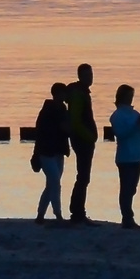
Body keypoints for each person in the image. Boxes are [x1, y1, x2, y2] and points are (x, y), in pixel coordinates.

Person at [107, 84, 140, 228]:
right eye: (129, 96)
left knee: (132, 188)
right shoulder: (117, 115)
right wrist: (138, 123)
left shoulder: (134, 113)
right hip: (125, 156)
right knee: (126, 188)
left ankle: (128, 216)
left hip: (137, 155)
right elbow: (121, 133)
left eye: (132, 96)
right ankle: (127, 218)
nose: (131, 99)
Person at [31, 81, 72, 222]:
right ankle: (58, 214)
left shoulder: (62, 109)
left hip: (58, 152)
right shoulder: (49, 111)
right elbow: (42, 132)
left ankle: (40, 215)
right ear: (58, 94)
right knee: (55, 182)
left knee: (52, 183)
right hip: (46, 152)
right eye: (64, 93)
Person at [64, 63, 97, 222]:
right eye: (87, 74)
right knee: (83, 176)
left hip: (83, 140)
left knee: (83, 176)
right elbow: (76, 121)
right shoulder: (78, 94)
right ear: (80, 76)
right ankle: (77, 211)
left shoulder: (81, 92)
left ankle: (77, 210)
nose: (90, 77)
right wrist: (90, 137)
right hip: (82, 140)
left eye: (91, 74)